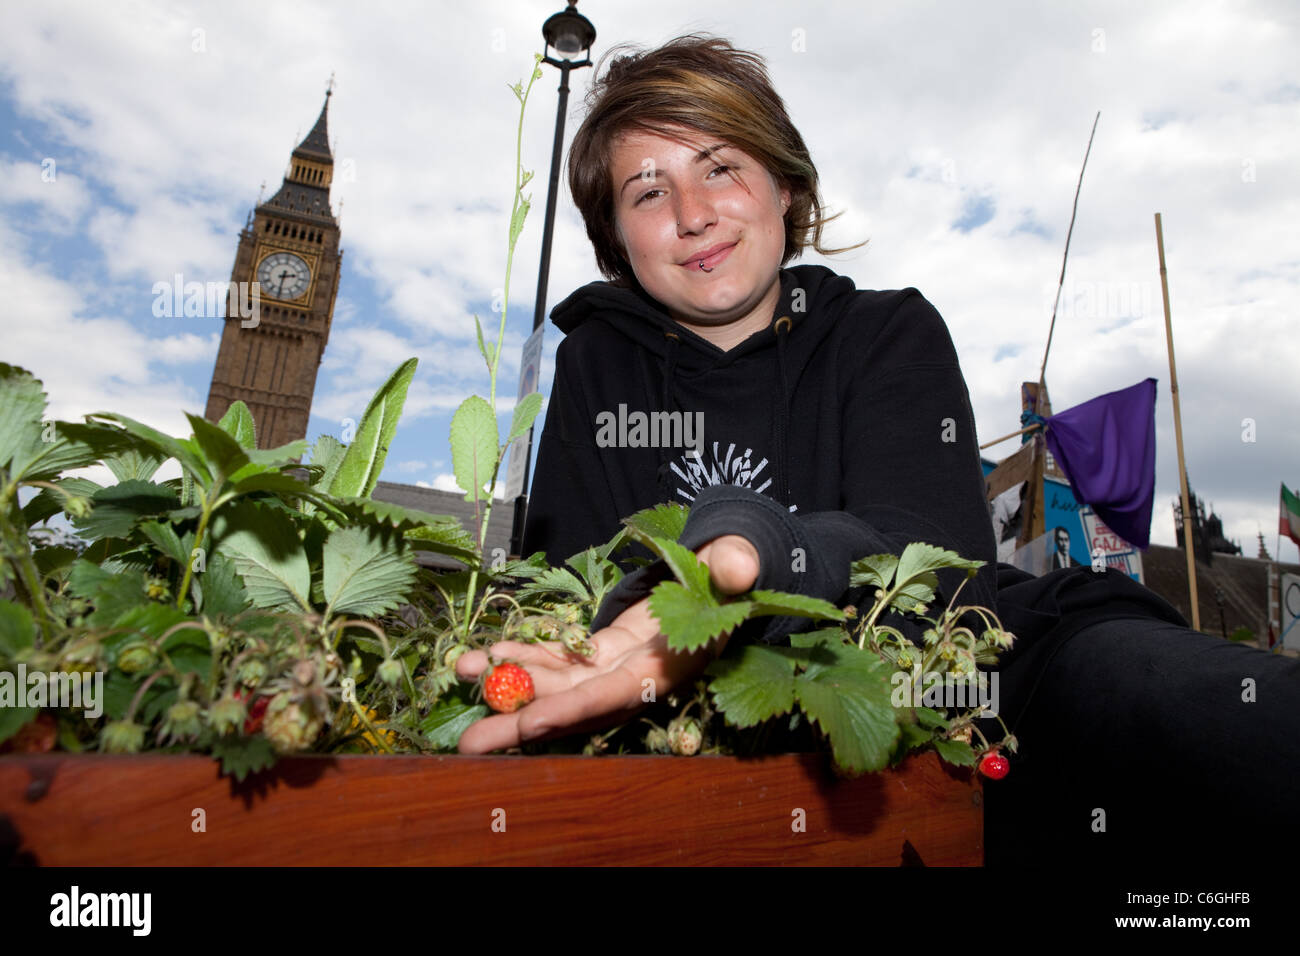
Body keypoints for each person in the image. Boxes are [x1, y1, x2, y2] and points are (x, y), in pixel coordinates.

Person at [455, 34, 1300, 868]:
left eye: (720, 166)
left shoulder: (886, 332)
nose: (691, 215)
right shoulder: (594, 364)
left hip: (964, 669)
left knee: (1179, 703)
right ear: (617, 240)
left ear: (783, 186)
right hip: (690, 715)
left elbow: (933, 560)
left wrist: (757, 548)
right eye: (647, 192)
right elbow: (572, 580)